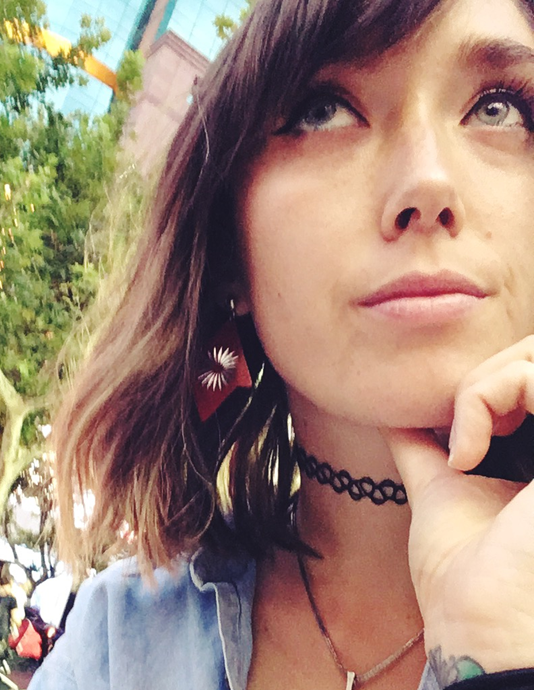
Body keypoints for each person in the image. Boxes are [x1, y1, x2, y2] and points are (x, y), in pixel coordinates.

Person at [29, 0, 534, 688]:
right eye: (323, 111)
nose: (427, 181)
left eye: (498, 109)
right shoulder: (119, 642)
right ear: (230, 249)